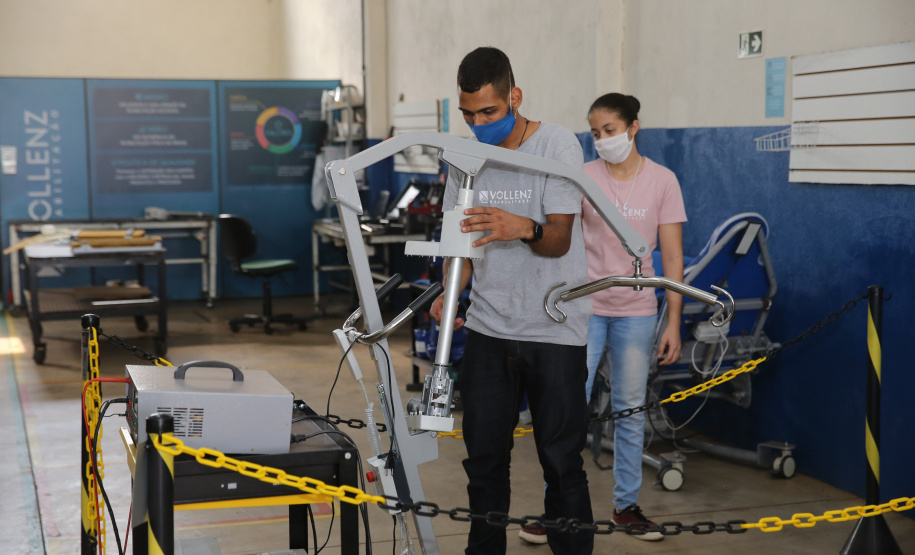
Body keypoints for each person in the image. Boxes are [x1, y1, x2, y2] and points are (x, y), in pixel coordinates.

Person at [429, 46, 594, 555]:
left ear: (514, 97)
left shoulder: (556, 144)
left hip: (554, 327)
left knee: (561, 463)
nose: (479, 125)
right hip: (488, 328)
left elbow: (559, 240)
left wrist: (522, 227)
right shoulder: (465, 157)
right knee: (483, 463)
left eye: (490, 112)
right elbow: (460, 247)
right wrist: (450, 293)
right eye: (469, 115)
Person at [580, 92, 686, 541]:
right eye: (595, 132)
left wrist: (673, 321)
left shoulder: (662, 181)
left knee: (630, 411)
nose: (602, 139)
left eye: (610, 130)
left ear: (633, 127)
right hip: (585, 310)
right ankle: (557, 508)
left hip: (637, 314)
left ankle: (626, 507)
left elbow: (673, 258)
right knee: (566, 410)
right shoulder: (583, 177)